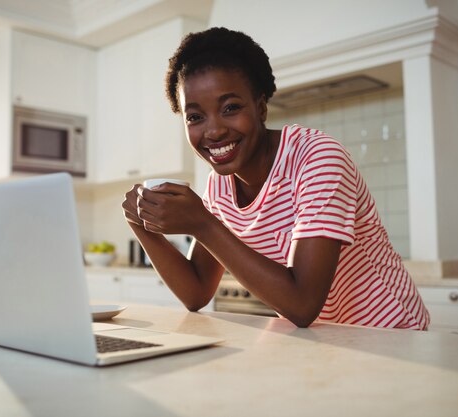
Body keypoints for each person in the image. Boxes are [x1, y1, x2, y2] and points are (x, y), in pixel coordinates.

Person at [122, 27, 430, 329]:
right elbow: (197, 293)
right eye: (195, 117)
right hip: (322, 342)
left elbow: (302, 304)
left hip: (393, 333)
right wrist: (142, 223)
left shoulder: (317, 157)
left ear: (261, 107)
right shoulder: (220, 185)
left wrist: (202, 223)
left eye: (230, 108)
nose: (213, 130)